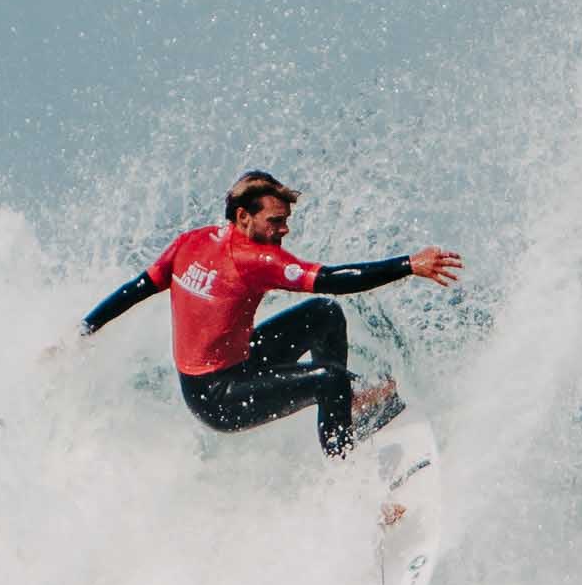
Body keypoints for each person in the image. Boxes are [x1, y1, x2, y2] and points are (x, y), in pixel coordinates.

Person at [79, 170, 462, 454]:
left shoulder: (192, 241)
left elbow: (135, 290)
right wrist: (408, 265)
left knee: (323, 314)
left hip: (239, 364)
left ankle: (346, 410)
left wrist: (84, 330)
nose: (283, 231)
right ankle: (347, 478)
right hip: (220, 399)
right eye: (275, 222)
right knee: (330, 379)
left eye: (286, 222)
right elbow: (333, 278)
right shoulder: (255, 260)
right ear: (243, 216)